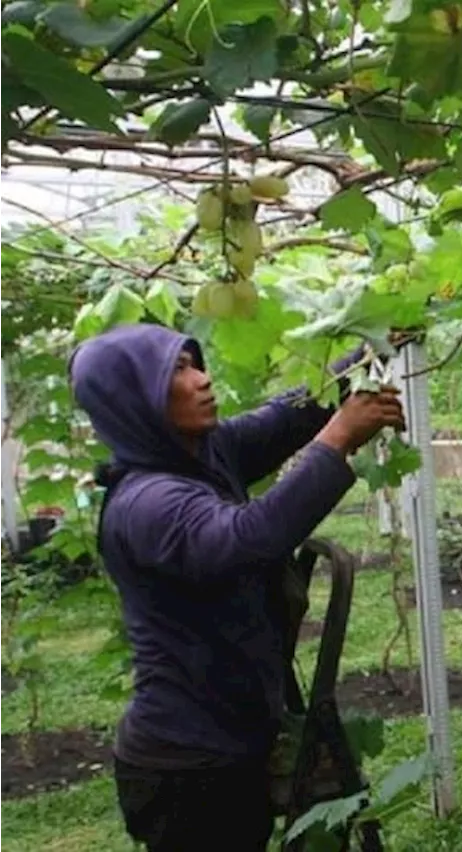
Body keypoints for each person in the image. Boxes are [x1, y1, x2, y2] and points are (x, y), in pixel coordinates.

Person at [68, 323, 405, 852]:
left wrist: (365, 354)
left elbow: (282, 419)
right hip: (186, 767)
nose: (201, 379)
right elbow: (253, 539)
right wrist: (340, 436)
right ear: (134, 400)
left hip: (226, 744)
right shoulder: (148, 503)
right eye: (176, 371)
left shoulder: (201, 452)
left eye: (194, 362)